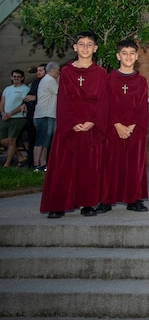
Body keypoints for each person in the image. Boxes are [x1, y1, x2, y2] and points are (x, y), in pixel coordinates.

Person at [40, 31, 108, 218]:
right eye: (82, 44)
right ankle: (58, 205)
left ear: (95, 48)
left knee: (89, 167)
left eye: (89, 45)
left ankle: (88, 204)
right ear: (75, 47)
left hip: (91, 126)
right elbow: (63, 99)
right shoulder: (67, 72)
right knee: (63, 166)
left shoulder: (101, 73)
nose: (85, 48)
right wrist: (72, 122)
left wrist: (92, 121)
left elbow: (103, 100)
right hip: (70, 125)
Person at [98, 39, 149, 213]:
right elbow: (107, 105)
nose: (128, 57)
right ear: (118, 56)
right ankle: (106, 200)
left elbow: (142, 106)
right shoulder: (109, 79)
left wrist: (133, 126)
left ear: (137, 56)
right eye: (124, 53)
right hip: (113, 129)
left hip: (135, 130)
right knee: (111, 166)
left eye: (132, 53)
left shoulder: (141, 81)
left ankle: (134, 199)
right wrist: (117, 125)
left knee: (134, 166)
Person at [32, 62, 59, 172]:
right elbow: (59, 92)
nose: (58, 73)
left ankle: (43, 164)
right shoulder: (50, 80)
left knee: (45, 141)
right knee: (41, 141)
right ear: (54, 70)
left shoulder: (45, 80)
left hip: (43, 114)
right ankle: (36, 165)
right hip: (46, 114)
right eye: (57, 71)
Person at [1, 70, 30, 167]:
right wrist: (3, 113)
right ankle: (20, 157)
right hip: (5, 117)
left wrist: (10, 114)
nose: (16, 78)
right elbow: (2, 102)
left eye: (18, 77)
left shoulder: (25, 89)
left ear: (22, 78)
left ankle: (7, 165)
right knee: (3, 140)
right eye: (14, 76)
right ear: (11, 77)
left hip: (18, 118)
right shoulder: (7, 89)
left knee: (12, 141)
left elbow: (23, 104)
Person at [21, 64, 46, 167]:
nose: (38, 72)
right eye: (37, 70)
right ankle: (31, 162)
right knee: (31, 138)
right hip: (32, 114)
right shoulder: (35, 82)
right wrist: (23, 103)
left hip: (43, 114)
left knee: (42, 139)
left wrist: (35, 98)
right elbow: (29, 94)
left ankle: (43, 163)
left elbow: (51, 97)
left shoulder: (48, 82)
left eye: (40, 70)